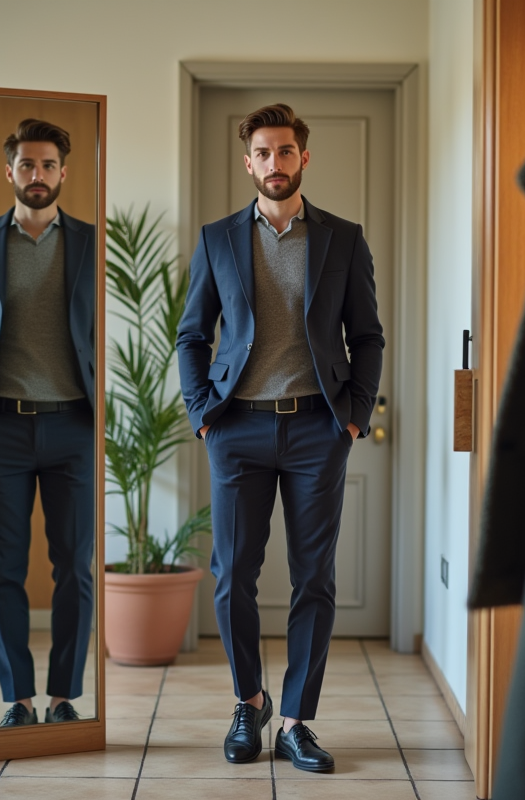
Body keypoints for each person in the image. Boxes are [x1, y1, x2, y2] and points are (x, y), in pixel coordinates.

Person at [177, 103, 384, 772]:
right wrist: (202, 412)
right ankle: (250, 702)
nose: (275, 163)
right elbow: (192, 335)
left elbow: (367, 336)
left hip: (318, 428)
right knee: (232, 574)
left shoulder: (343, 239)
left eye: (285, 151)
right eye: (263, 153)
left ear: (304, 158)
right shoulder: (217, 239)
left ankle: (296, 720)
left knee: (313, 577)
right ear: (249, 162)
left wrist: (353, 415)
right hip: (236, 427)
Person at [0, 118, 97, 726]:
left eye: (48, 165)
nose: (37, 174)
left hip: (71, 425)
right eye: (27, 164)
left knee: (74, 568)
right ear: (9, 171)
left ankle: (62, 699)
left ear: (63, 172)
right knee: (2, 569)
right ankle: (19, 701)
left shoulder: (90, 243)